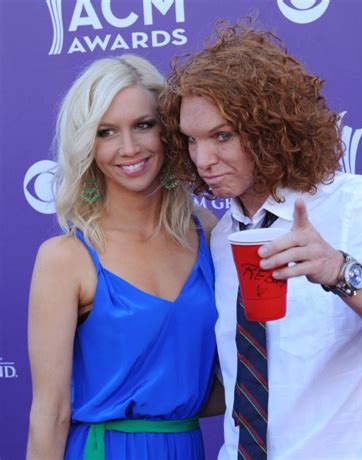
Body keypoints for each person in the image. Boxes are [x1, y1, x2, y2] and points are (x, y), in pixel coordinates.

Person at [160, 22, 362, 460]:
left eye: (222, 135)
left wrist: (338, 270)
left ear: (271, 129)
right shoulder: (222, 235)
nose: (203, 159)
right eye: (191, 140)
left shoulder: (357, 204)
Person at [27, 54, 223, 460]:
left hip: (186, 446)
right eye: (106, 132)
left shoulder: (208, 233)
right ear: (87, 145)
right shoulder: (65, 258)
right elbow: (50, 413)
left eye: (143, 125)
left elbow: (234, 378)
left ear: (168, 130)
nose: (129, 147)